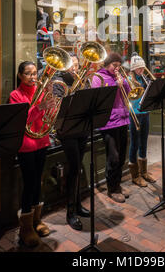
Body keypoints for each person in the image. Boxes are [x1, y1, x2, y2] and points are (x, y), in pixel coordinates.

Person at [9, 61, 55, 247]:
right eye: (28, 73)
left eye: (35, 73)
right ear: (20, 75)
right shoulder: (15, 95)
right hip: (26, 145)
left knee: (38, 182)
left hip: (42, 141)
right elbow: (21, 121)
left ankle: (37, 221)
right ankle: (25, 228)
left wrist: (51, 101)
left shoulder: (41, 91)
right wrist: (39, 107)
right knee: (29, 184)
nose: (33, 77)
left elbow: (49, 114)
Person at [55, 54, 91, 231]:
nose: (75, 69)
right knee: (74, 168)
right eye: (72, 66)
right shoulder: (58, 82)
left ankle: (77, 205)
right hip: (67, 131)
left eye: (77, 65)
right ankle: (70, 212)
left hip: (82, 129)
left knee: (77, 167)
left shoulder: (82, 80)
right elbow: (59, 107)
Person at [91, 52, 130, 203]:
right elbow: (101, 98)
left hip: (123, 118)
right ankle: (112, 189)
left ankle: (117, 185)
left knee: (121, 157)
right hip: (109, 122)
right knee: (113, 157)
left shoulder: (118, 76)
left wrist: (124, 83)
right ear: (107, 64)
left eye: (119, 66)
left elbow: (126, 93)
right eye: (114, 65)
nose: (117, 68)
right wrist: (116, 85)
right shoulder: (99, 77)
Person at [128, 53, 156, 187]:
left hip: (145, 113)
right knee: (134, 143)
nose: (142, 70)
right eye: (139, 68)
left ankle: (144, 171)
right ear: (133, 69)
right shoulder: (129, 79)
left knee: (144, 142)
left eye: (143, 68)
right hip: (135, 113)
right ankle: (135, 175)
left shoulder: (144, 78)